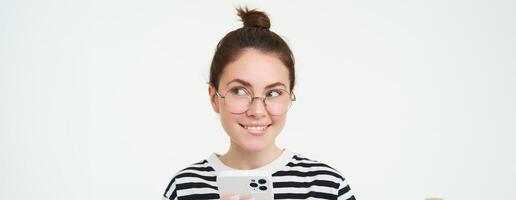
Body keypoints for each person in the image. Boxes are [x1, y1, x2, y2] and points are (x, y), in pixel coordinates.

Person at [161, 7, 356, 200]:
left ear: (289, 96)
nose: (257, 111)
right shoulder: (183, 188)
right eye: (239, 91)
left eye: (273, 93)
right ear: (214, 98)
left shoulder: (328, 187)